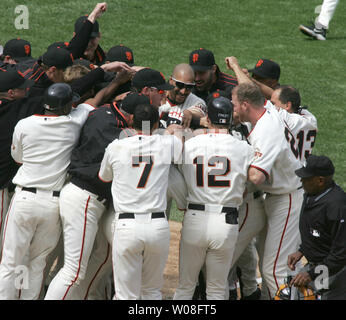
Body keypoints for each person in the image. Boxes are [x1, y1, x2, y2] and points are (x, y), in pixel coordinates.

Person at [0, 83, 94, 300]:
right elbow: (89, 105)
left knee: (11, 261)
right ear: (66, 106)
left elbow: (18, 158)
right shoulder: (73, 123)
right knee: (36, 262)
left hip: (24, 199)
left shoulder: (25, 124)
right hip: (53, 203)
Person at [173, 95, 255, 300]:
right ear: (229, 120)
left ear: (207, 119)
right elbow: (252, 180)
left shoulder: (190, 144)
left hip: (194, 217)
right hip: (226, 223)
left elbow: (173, 172)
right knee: (217, 289)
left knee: (185, 287)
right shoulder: (245, 149)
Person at [98, 103, 183, 300]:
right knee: (152, 291)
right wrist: (175, 124)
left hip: (126, 226)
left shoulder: (116, 147)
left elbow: (104, 177)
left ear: (130, 121)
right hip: (157, 227)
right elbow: (178, 141)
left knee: (125, 296)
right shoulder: (166, 144)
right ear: (155, 125)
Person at [231, 81, 304, 299]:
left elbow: (256, 175)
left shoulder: (265, 131)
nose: (232, 109)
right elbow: (248, 89)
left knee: (275, 270)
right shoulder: (268, 110)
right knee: (270, 264)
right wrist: (236, 68)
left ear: (245, 105)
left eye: (234, 105)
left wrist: (232, 165)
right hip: (277, 197)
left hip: (288, 199)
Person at [288, 155, 346, 300]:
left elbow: (341, 253)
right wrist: (303, 250)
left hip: (336, 270)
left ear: (320, 180)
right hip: (320, 265)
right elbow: (318, 230)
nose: (301, 181)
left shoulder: (337, 206)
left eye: (306, 178)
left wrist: (312, 274)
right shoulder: (312, 194)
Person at [159, 63, 206, 128]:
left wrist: (190, 113)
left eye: (189, 87)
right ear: (171, 80)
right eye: (180, 85)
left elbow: (200, 114)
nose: (183, 91)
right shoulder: (157, 97)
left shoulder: (197, 101)